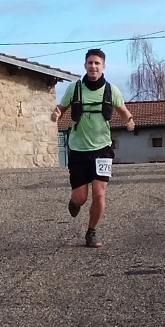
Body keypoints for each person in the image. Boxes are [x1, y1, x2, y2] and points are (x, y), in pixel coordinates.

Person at [51, 49, 135, 247]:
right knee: (81, 197)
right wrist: (55, 115)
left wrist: (129, 121)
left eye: (97, 63)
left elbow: (123, 111)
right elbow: (60, 110)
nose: (93, 66)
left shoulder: (111, 90)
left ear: (103, 66)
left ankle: (92, 232)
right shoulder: (75, 89)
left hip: (102, 149)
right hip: (78, 149)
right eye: (90, 63)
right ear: (85, 65)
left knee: (99, 193)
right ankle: (75, 202)